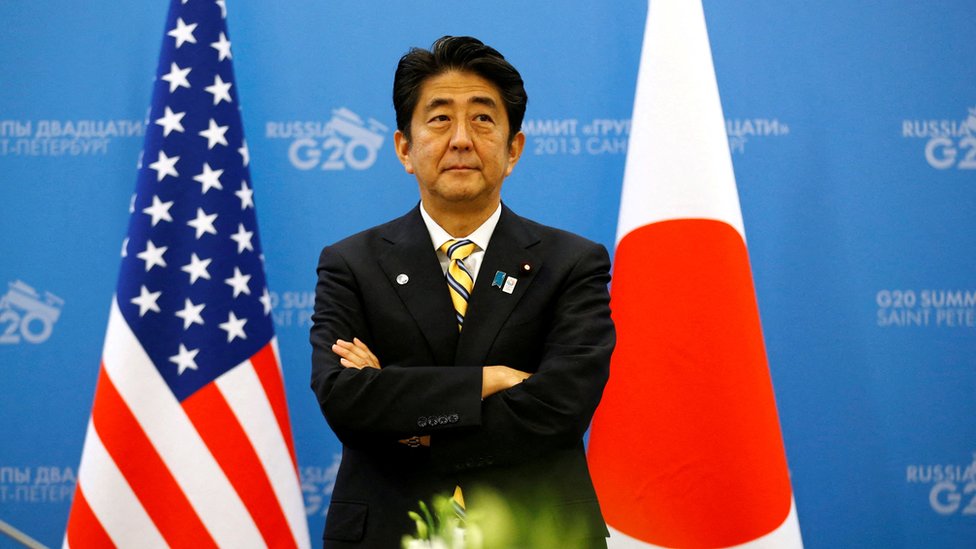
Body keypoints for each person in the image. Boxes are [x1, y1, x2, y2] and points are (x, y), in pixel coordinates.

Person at [310, 35, 615, 548]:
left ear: (513, 148)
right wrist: (485, 381)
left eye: (482, 118)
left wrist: (411, 426)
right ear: (405, 148)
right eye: (439, 118)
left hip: (537, 532)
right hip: (387, 531)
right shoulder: (350, 264)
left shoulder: (573, 263)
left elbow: (561, 406)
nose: (460, 139)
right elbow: (346, 401)